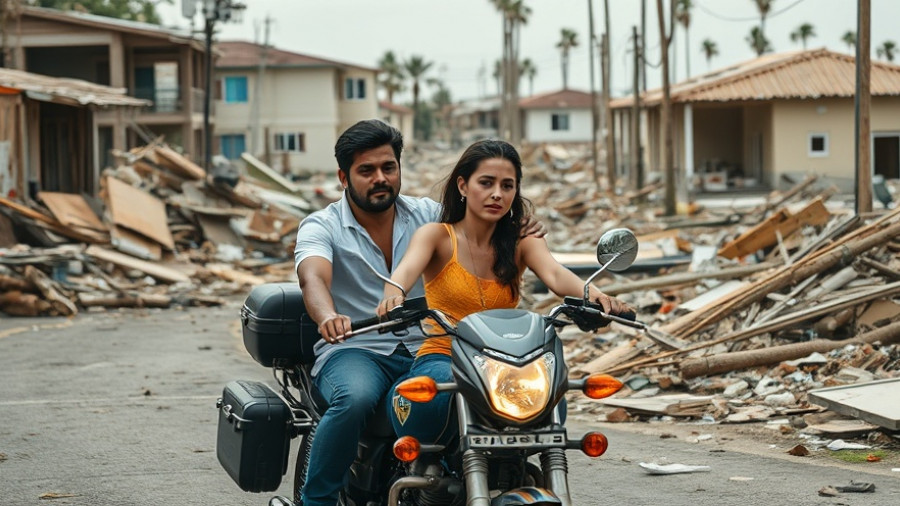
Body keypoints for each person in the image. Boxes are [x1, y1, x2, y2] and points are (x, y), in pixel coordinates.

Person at [294, 120, 544, 506]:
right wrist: (328, 315)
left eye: (388, 167)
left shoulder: (429, 215)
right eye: (366, 170)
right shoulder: (322, 226)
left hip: (432, 345)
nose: (380, 178)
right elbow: (313, 277)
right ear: (344, 177)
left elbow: (480, 224)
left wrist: (517, 225)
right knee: (354, 400)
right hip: (356, 348)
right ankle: (317, 501)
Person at [376, 139, 629, 446]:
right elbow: (402, 274)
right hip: (445, 355)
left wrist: (596, 295)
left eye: (507, 185)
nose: (497, 193)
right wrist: (393, 296)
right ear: (463, 186)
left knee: (551, 397)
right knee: (435, 399)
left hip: (506, 361)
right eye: (486, 183)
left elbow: (555, 273)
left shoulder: (522, 239)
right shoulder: (437, 236)